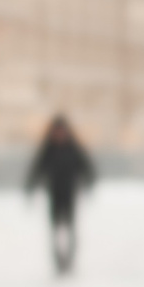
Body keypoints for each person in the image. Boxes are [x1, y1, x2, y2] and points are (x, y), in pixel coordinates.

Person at [26, 114, 94, 275]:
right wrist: (30, 187)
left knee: (70, 228)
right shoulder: (48, 150)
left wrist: (89, 182)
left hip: (69, 194)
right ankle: (58, 260)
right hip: (54, 195)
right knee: (55, 229)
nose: (59, 135)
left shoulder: (73, 148)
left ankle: (69, 259)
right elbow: (37, 169)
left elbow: (86, 166)